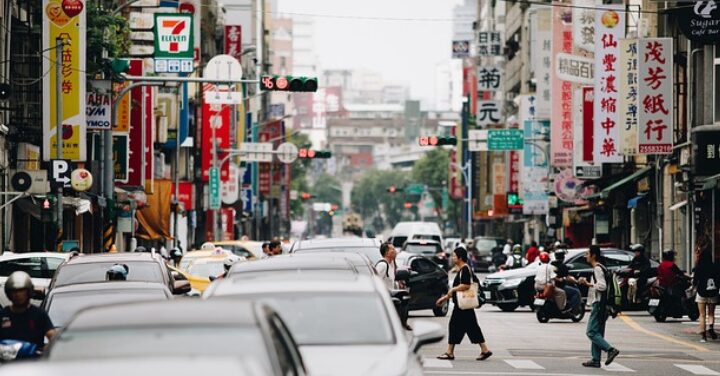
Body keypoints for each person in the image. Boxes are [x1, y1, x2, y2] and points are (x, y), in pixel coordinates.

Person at [436, 247, 492, 361]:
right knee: (472, 327)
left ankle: (450, 352)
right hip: (463, 305)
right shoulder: (462, 269)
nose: (452, 258)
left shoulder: (465, 269)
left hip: (463, 305)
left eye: (454, 256)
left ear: (460, 257)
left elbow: (465, 285)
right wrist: (445, 298)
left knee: (455, 326)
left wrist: (452, 290)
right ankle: (484, 350)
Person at [578, 245, 620, 367]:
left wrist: (588, 284)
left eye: (587, 253)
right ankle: (596, 360)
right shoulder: (602, 267)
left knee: (591, 332)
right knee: (598, 333)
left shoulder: (597, 268)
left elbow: (602, 286)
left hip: (599, 304)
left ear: (593, 255)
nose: (586, 256)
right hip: (604, 305)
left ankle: (610, 349)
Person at [0, 272, 56, 351]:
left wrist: (45, 349)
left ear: (29, 292)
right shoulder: (2, 315)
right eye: (14, 291)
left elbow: (53, 337)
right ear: (9, 294)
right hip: (7, 361)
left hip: (33, 361)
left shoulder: (39, 314)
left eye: (21, 291)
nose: (18, 295)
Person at [375, 242, 410, 330]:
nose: (395, 251)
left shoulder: (391, 264)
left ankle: (402, 323)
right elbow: (375, 280)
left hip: (391, 295)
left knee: (405, 296)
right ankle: (402, 323)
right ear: (387, 253)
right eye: (393, 249)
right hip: (385, 296)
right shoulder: (382, 265)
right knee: (403, 296)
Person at [693, 237, 718, 343]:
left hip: (701, 292)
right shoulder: (715, 267)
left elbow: (695, 281)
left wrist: (694, 286)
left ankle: (703, 336)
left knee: (702, 314)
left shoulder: (699, 267)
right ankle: (711, 327)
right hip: (713, 292)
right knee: (711, 313)